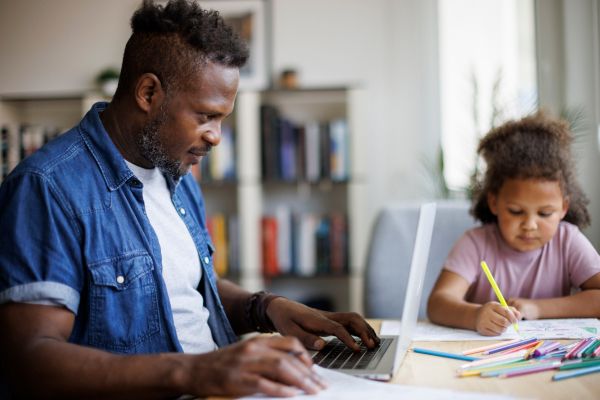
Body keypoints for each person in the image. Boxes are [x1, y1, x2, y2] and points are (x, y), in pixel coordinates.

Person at [0, 1, 380, 398]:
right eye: (205, 116)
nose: (216, 136)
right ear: (148, 92)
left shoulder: (175, 172)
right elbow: (30, 358)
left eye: (222, 119)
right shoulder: (47, 188)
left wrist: (268, 308)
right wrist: (194, 371)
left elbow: (191, 287)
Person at [427, 113, 600, 336]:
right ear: (494, 202)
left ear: (564, 208)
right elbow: (439, 303)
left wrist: (538, 308)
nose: (529, 225)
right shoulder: (476, 243)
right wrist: (476, 316)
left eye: (545, 213)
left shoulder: (568, 240)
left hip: (548, 357)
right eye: (516, 211)